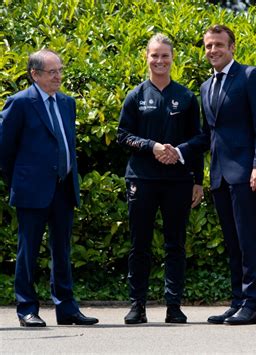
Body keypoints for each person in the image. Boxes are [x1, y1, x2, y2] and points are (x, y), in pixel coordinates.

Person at [175, 24, 256, 325]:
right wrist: (179, 151)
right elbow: (208, 135)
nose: (213, 50)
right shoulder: (206, 87)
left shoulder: (250, 76)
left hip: (246, 173)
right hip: (218, 175)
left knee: (249, 240)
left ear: (232, 47)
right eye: (208, 46)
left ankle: (253, 304)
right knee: (232, 242)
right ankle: (237, 300)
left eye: (218, 45)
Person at [0, 49, 98, 327]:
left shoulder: (67, 102)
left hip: (64, 188)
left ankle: (66, 308)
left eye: (60, 70)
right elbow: (4, 150)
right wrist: (19, 180)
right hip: (32, 189)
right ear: (35, 74)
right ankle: (27, 309)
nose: (58, 76)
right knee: (28, 251)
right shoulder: (19, 103)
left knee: (62, 250)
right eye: (52, 72)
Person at [117, 34, 204, 324]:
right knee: (139, 244)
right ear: (146, 57)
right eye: (154, 55)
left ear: (172, 58)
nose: (160, 61)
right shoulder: (136, 96)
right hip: (141, 179)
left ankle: (173, 306)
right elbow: (122, 135)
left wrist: (196, 178)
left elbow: (200, 139)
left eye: (165, 55)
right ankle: (137, 305)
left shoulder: (187, 97)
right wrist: (151, 146)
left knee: (175, 244)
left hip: (178, 181)